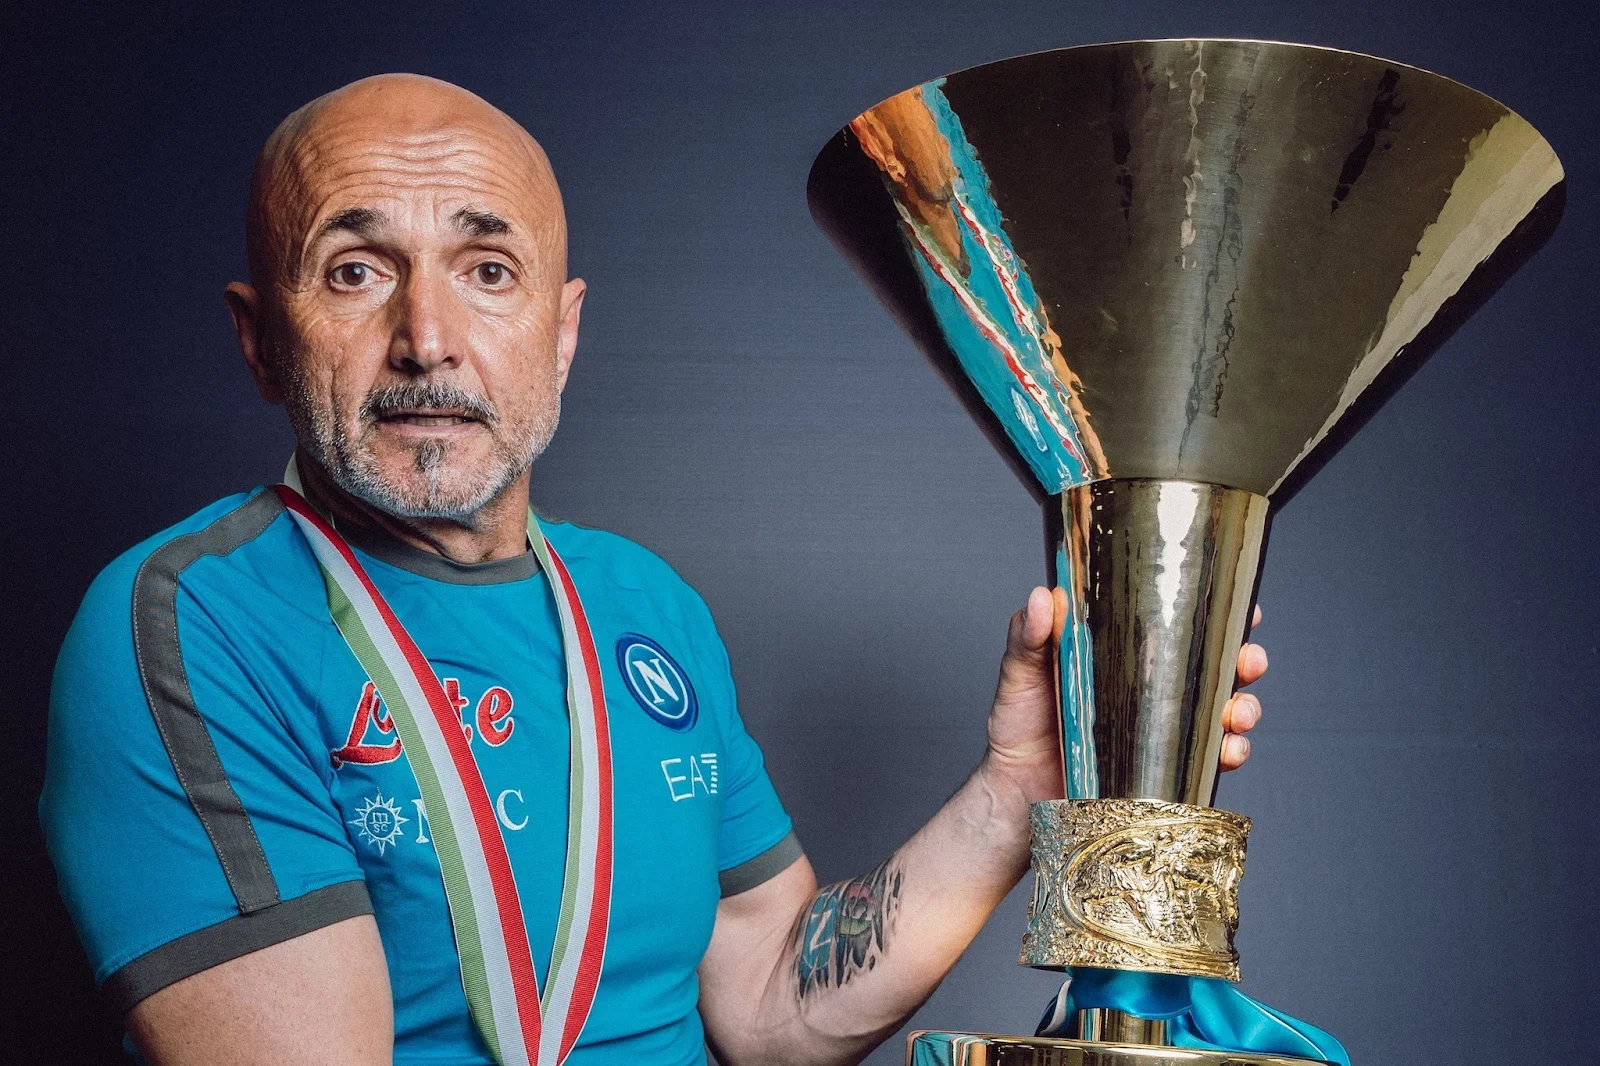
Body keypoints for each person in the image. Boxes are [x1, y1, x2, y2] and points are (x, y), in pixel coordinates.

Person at [39, 74, 1267, 1066]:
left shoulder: (642, 606)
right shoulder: (189, 619)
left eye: (487, 270)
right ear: (262, 339)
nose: (426, 338)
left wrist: (1019, 792)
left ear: (560, 333)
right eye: (356, 271)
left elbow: (773, 1001)